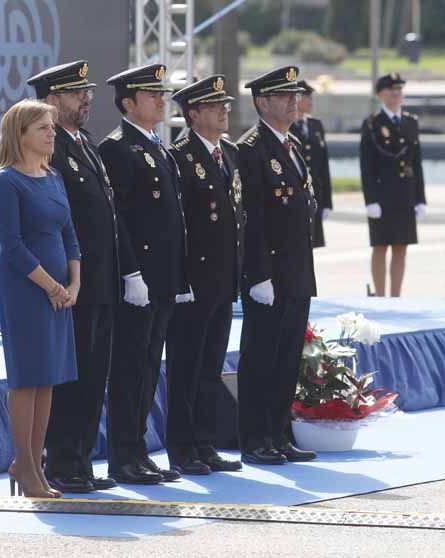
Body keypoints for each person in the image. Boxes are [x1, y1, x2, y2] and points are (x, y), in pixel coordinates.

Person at [27, 60, 119, 493]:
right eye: (75, 92)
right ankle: (62, 461)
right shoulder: (51, 150)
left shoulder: (85, 143)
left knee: (95, 373)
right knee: (72, 376)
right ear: (51, 100)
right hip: (68, 279)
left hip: (98, 277)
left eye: (88, 92)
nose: (86, 99)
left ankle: (81, 458)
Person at [99, 63, 187, 485]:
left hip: (163, 279)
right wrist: (131, 273)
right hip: (138, 281)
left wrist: (179, 277)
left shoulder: (156, 146)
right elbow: (118, 221)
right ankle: (123, 456)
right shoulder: (118, 148)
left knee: (150, 366)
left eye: (162, 93)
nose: (161, 99)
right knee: (130, 369)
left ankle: (139, 451)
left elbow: (173, 222)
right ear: (128, 103)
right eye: (152, 95)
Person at [0, 99, 81, 498]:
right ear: (20, 134)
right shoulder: (5, 181)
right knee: (27, 378)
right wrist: (50, 285)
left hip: (60, 293)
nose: (52, 134)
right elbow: (12, 246)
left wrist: (73, 285)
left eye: (53, 127)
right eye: (42, 128)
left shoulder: (53, 176)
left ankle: (33, 464)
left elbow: (70, 236)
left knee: (48, 379)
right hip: (27, 290)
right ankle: (24, 464)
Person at [236, 66, 317, 465]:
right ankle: (255, 438)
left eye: (295, 94)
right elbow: (251, 218)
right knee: (261, 357)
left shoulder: (291, 144)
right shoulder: (250, 149)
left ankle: (279, 432)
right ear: (262, 102)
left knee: (287, 359)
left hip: (296, 271)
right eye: (283, 95)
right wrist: (257, 274)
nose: (293, 101)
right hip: (269, 273)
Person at [165, 75, 244, 475]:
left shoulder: (225, 153)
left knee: (211, 365)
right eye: (215, 106)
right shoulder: (179, 157)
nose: (223, 111)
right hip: (194, 282)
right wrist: (182, 280)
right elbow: (178, 224)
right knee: (186, 366)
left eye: (225, 105)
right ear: (193, 114)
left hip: (221, 279)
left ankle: (205, 442)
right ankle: (182, 448)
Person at [360, 73, 426, 297]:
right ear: (380, 94)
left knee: (401, 247)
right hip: (382, 195)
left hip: (405, 194)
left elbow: (416, 164)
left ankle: (396, 297)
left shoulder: (410, 122)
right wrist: (370, 200)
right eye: (390, 89)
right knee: (380, 246)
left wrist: (420, 198)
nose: (396, 93)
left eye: (399, 89)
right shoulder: (372, 124)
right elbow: (366, 166)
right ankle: (380, 296)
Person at [290, 80, 333, 248]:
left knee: (311, 247)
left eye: (311, 96)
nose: (310, 101)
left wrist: (328, 201)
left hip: (315, 195)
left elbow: (323, 166)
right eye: (306, 96)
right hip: (296, 196)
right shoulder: (286, 127)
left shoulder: (316, 125)